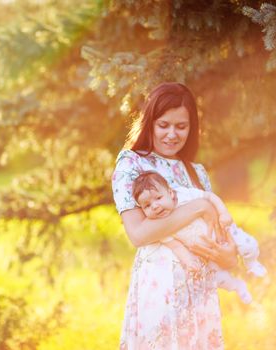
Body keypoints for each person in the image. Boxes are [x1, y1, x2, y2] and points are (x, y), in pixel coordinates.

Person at [112, 82, 256, 349]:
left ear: (192, 128)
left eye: (181, 126)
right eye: (163, 125)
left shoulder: (196, 172)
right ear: (150, 123)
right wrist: (199, 207)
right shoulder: (132, 163)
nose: (172, 134)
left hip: (200, 291)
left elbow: (218, 234)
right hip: (160, 288)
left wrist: (228, 257)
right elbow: (139, 234)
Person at [132, 170, 267, 305]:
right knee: (216, 278)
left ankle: (252, 263)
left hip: (224, 232)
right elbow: (176, 246)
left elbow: (210, 197)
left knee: (248, 245)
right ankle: (238, 286)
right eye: (147, 206)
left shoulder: (185, 195)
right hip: (206, 253)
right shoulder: (160, 228)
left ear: (170, 193)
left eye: (158, 198)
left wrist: (223, 212)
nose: (155, 206)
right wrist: (189, 261)